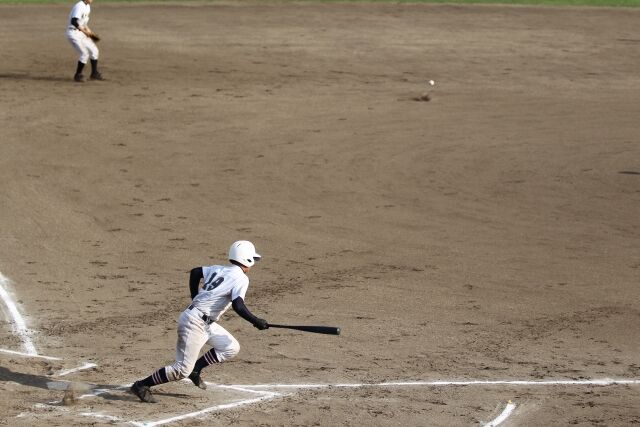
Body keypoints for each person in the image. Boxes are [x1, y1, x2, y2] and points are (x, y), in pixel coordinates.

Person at [130, 241, 269, 403]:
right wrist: (255, 321)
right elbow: (238, 305)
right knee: (181, 370)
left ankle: (195, 370)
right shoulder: (241, 279)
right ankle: (142, 385)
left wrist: (194, 296)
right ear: (247, 259)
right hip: (194, 323)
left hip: (204, 322)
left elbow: (196, 272)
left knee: (230, 347)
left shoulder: (219, 269)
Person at [65, 0, 103, 82]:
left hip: (81, 32)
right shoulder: (79, 6)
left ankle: (94, 73)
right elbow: (74, 21)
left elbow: (84, 24)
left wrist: (90, 32)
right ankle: (78, 75)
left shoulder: (87, 6)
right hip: (73, 33)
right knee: (84, 53)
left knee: (94, 51)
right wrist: (85, 32)